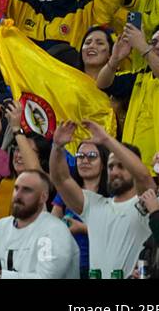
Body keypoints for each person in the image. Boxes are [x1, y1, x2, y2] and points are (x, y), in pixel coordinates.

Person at [49, 119, 153, 278]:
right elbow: (61, 180)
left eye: (121, 166)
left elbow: (144, 177)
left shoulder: (145, 204)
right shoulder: (95, 205)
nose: (114, 171)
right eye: (111, 166)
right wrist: (57, 148)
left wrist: (107, 140)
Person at [0, 170, 79, 279]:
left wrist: (0, 275)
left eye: (27, 190)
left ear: (43, 197)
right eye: (16, 188)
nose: (18, 196)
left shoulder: (55, 230)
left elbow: (47, 277)